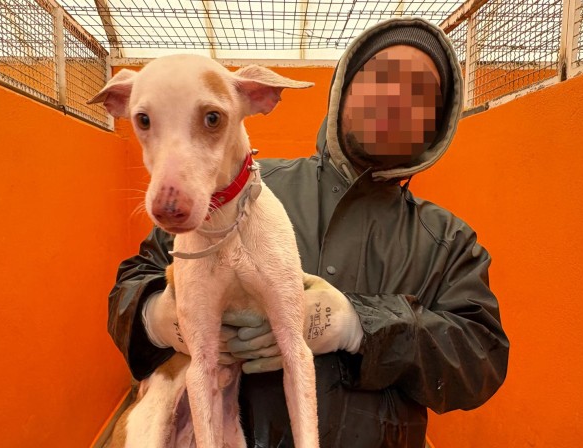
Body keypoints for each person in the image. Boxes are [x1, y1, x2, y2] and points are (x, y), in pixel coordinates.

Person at [108, 16, 509, 447]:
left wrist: (362, 326)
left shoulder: (448, 241)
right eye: (380, 78)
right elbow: (134, 281)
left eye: (419, 93)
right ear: (344, 91)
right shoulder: (240, 190)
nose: (394, 99)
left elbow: (480, 361)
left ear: (438, 122)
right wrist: (157, 316)